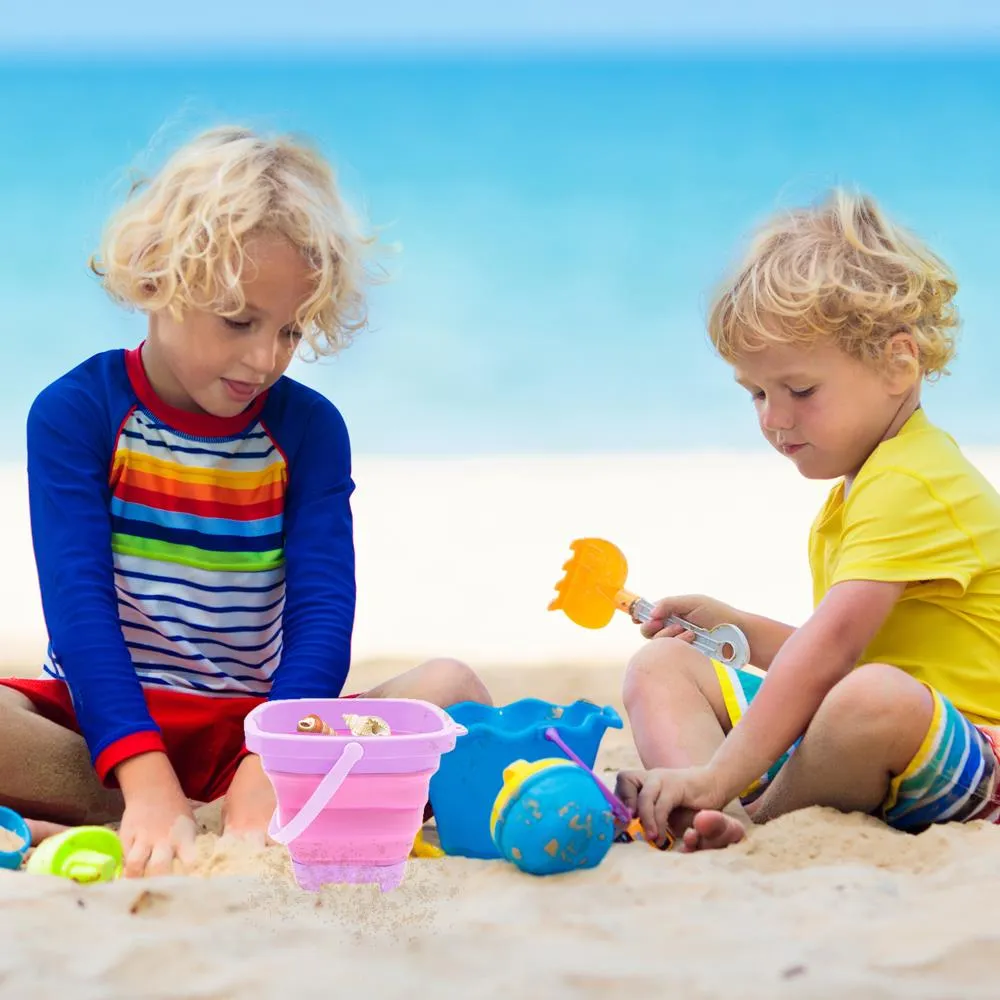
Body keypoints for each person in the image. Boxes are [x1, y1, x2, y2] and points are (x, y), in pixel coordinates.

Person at [1, 125, 491, 877]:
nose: (265, 358)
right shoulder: (76, 413)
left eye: (290, 329)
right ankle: (157, 814)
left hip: (261, 730)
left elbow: (323, 616)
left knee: (452, 692)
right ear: (158, 280)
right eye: (238, 322)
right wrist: (145, 775)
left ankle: (228, 810)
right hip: (102, 728)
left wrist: (272, 759)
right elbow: (80, 614)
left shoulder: (309, 430)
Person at [615, 189, 1000, 851]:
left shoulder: (913, 480)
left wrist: (719, 770)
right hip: (872, 736)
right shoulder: (865, 483)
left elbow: (836, 654)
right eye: (757, 393)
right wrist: (734, 625)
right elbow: (840, 649)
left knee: (871, 697)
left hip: (967, 751)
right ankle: (712, 814)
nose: (772, 417)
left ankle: (741, 814)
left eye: (800, 390)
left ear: (898, 363)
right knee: (662, 667)